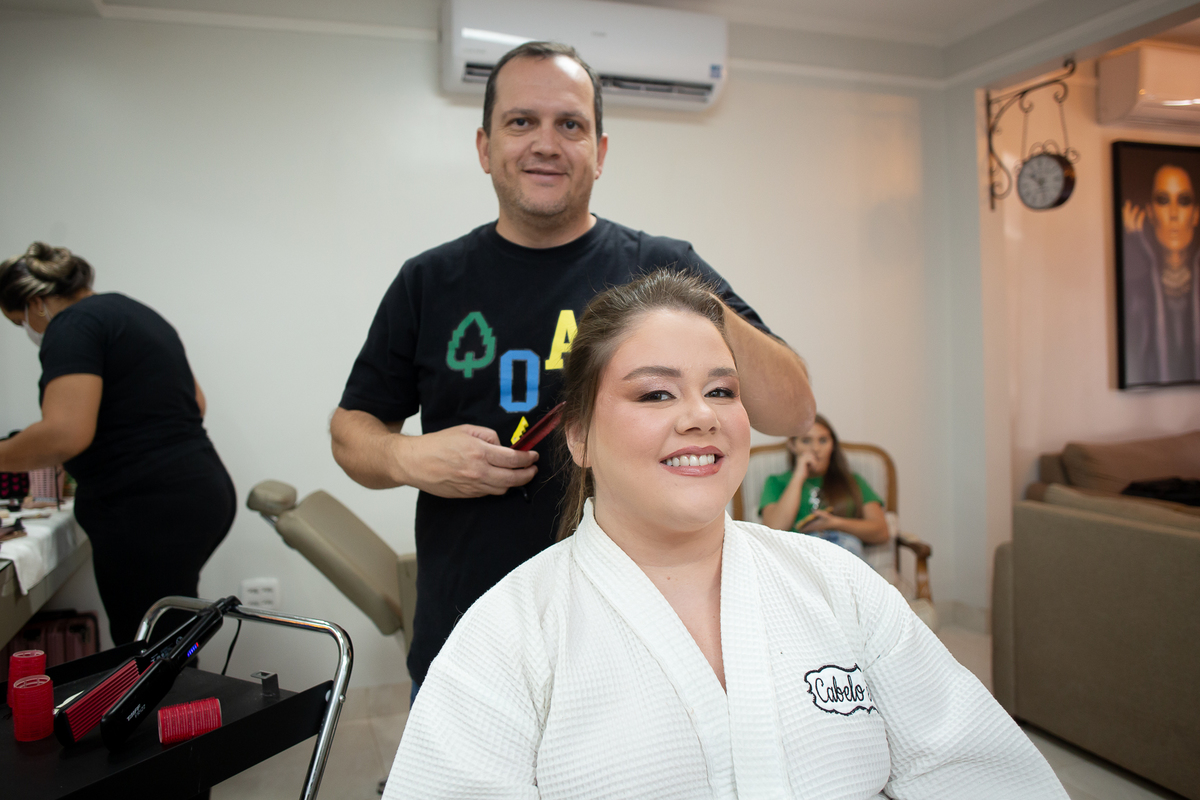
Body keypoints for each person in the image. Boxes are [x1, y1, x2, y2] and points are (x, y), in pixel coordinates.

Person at [381, 271, 1068, 799]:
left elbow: (983, 772)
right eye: (656, 393)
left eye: (721, 391)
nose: (701, 417)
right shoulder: (508, 633)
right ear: (580, 436)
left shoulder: (838, 585)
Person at [330, 41, 814, 698]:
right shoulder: (428, 282)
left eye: (570, 125)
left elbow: (793, 411)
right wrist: (409, 457)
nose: (546, 144)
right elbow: (351, 433)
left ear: (600, 151)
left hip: (646, 636)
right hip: (472, 633)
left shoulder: (662, 266)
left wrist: (687, 296)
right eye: (521, 122)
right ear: (485, 147)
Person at [0, 243, 235, 644]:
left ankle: (177, 685)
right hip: (202, 492)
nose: (28, 331)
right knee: (170, 636)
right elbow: (196, 403)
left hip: (146, 509)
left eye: (18, 320)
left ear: (37, 302)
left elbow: (65, 434)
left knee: (145, 649)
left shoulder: (71, 325)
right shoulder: (137, 314)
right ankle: (186, 681)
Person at [758, 414, 889, 559]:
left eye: (823, 440)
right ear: (792, 445)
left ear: (833, 445)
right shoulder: (776, 482)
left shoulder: (853, 481)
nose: (815, 448)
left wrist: (834, 523)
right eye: (806, 440)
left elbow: (881, 532)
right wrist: (799, 476)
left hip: (844, 551)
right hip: (800, 554)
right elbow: (773, 529)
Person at [1121, 163, 1200, 384]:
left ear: (1195, 215)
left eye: (1184, 201)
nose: (1173, 214)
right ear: (1151, 213)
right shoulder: (1135, 292)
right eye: (1163, 201)